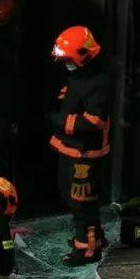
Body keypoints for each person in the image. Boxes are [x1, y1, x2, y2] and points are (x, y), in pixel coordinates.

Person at [49, 25, 110, 265]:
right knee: (69, 195)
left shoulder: (99, 83)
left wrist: (60, 120)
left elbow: (94, 121)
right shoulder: (79, 75)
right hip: (71, 149)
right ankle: (94, 237)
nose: (66, 64)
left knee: (82, 204)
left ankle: (87, 249)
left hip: (84, 154)